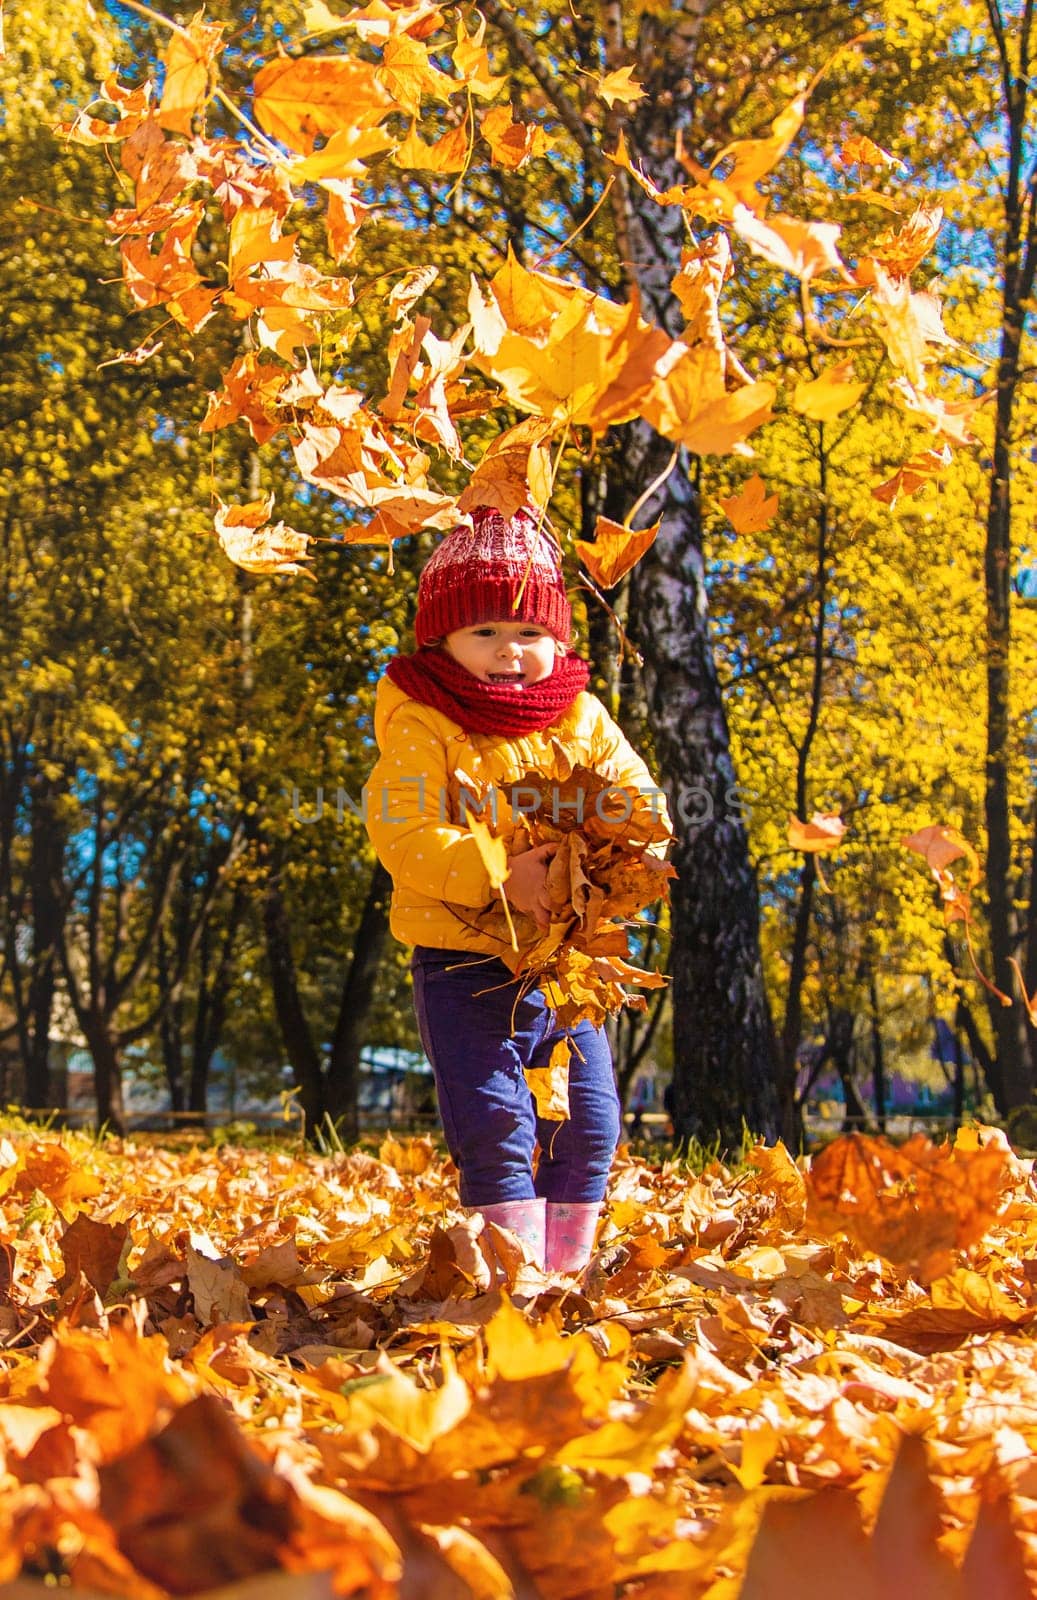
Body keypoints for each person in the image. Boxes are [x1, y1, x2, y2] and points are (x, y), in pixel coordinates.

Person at [364, 505, 671, 1273]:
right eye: (486, 633)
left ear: (558, 639)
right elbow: (402, 834)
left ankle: (563, 1275)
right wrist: (502, 873)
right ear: (440, 641)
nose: (510, 653)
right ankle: (512, 1277)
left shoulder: (580, 716)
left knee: (589, 1122)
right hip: (464, 962)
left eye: (529, 634)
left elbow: (644, 807)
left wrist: (620, 857)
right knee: (496, 1123)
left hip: (567, 967)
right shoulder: (422, 719)